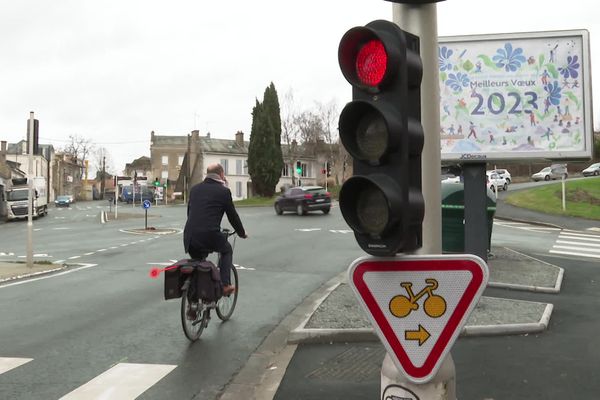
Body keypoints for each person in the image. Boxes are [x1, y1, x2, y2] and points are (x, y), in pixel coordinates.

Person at [183, 163, 247, 295]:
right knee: (226, 250)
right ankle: (224, 285)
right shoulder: (223, 191)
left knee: (198, 263)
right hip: (209, 234)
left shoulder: (195, 189)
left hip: (190, 236)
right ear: (222, 174)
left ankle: (193, 305)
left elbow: (190, 213)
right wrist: (241, 233)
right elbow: (232, 216)